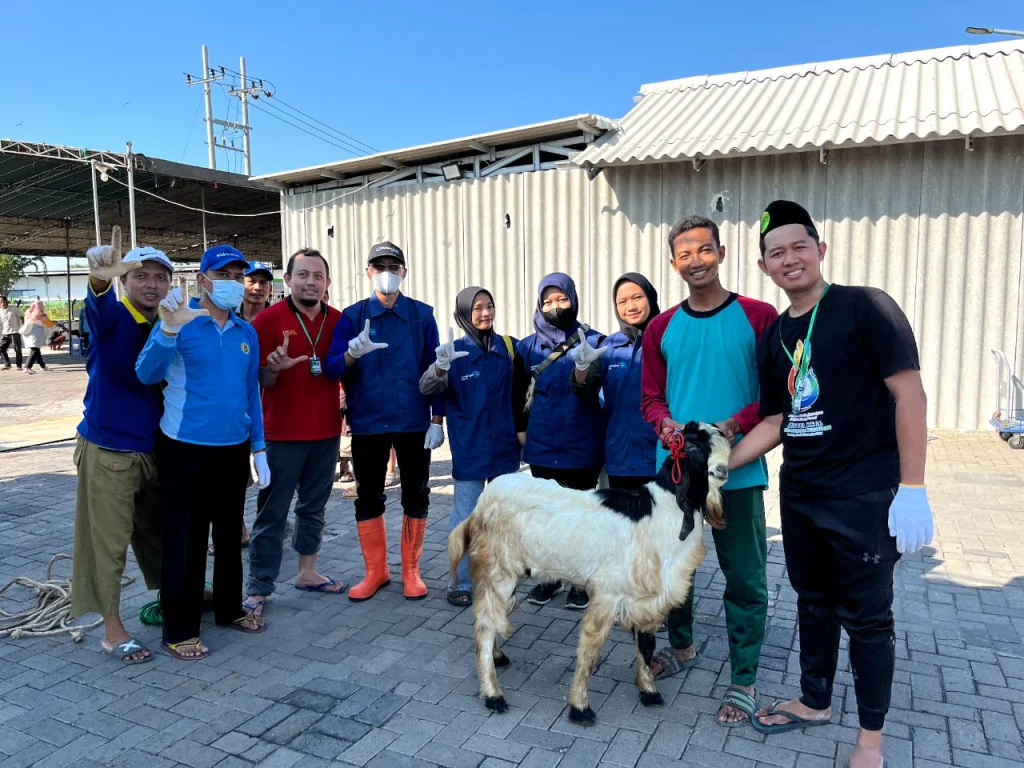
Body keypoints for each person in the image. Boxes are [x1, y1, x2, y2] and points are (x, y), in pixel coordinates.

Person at [729, 200, 932, 768]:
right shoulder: (776, 335)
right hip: (801, 495)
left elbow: (909, 394)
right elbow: (777, 420)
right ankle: (814, 701)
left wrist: (913, 487)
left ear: (820, 249)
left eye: (799, 246)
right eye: (776, 253)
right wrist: (720, 468)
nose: (789, 259)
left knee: (867, 619)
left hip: (863, 496)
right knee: (813, 603)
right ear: (764, 266)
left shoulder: (866, 308)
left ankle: (871, 739)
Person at [638, 215, 777, 726]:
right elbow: (650, 398)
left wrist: (735, 425)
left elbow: (773, 396)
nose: (695, 261)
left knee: (745, 579)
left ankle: (744, 679)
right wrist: (665, 425)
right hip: (675, 478)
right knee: (675, 571)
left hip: (738, 476)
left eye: (704, 250)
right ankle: (682, 646)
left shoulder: (758, 317)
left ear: (721, 251)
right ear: (673, 263)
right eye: (684, 254)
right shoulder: (660, 327)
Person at [136, 244, 269, 661]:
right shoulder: (180, 319)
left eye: (237, 275)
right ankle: (180, 629)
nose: (232, 282)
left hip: (232, 449)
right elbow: (146, 373)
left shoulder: (246, 332)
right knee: (186, 541)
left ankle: (229, 609)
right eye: (223, 274)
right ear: (202, 280)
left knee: (229, 535)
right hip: (184, 448)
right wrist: (168, 331)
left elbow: (251, 393)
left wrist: (259, 447)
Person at [70, 228, 169, 663]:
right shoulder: (113, 317)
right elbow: (96, 309)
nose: (151, 284)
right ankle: (112, 630)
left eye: (160, 277)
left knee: (158, 531)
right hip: (110, 449)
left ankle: (172, 597)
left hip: (156, 449)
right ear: (124, 281)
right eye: (141, 275)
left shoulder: (167, 322)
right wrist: (99, 280)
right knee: (107, 543)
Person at [325, 241, 444, 601]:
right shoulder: (353, 317)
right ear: (368, 273)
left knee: (416, 494)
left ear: (404, 272)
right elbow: (331, 367)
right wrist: (350, 355)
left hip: (412, 422)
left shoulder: (422, 316)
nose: (387, 273)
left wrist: (437, 419)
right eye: (379, 267)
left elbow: (437, 370)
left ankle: (411, 571)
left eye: (394, 267)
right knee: (368, 495)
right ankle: (375, 571)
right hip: (368, 424)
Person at [245, 248, 346, 616]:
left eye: (318, 276)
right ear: (287, 280)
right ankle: (259, 587)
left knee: (313, 508)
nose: (310, 282)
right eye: (303, 275)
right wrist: (274, 368)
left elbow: (344, 368)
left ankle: (307, 572)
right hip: (281, 434)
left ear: (327, 282)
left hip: (326, 431)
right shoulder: (267, 320)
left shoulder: (339, 321)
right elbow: (259, 379)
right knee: (272, 513)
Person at [418, 286, 528, 607]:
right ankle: (461, 580)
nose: (485, 313)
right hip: (470, 446)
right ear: (465, 313)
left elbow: (532, 374)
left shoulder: (509, 348)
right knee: (466, 517)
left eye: (489, 305)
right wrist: (440, 367)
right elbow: (427, 387)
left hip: (505, 447)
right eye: (478, 307)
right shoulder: (454, 353)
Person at [516, 272, 605, 610]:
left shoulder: (593, 341)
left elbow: (600, 390)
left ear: (574, 299)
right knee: (546, 515)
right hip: (542, 444)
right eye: (548, 301)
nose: (555, 306)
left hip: (581, 442)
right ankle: (550, 576)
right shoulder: (527, 347)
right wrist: (521, 429)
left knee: (580, 514)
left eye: (562, 299)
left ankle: (581, 580)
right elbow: (517, 393)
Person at [20, 301, 54, 372]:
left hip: (28, 333)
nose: (43, 306)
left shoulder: (28, 312)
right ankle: (27, 367)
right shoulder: (41, 314)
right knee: (34, 350)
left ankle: (43, 366)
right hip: (36, 334)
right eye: (42, 305)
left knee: (36, 350)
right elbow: (49, 324)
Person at [1, 296, 24, 370]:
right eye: (0, 302)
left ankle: (19, 365)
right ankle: (7, 364)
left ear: (6, 301)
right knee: (1, 348)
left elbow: (22, 316)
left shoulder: (13, 308)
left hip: (15, 331)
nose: (2, 303)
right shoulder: (0, 311)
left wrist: (23, 326)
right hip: (5, 332)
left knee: (17, 348)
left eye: (3, 301)